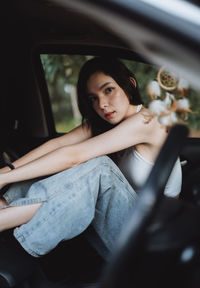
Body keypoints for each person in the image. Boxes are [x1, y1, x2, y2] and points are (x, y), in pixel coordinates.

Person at [0, 57, 182, 259]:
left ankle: (10, 231)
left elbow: (73, 155)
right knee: (56, 166)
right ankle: (4, 204)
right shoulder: (106, 123)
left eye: (108, 90)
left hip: (151, 238)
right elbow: (58, 145)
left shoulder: (149, 121)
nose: (102, 104)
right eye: (93, 98)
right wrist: (5, 172)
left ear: (130, 84)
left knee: (99, 168)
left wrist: (4, 179)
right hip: (120, 227)